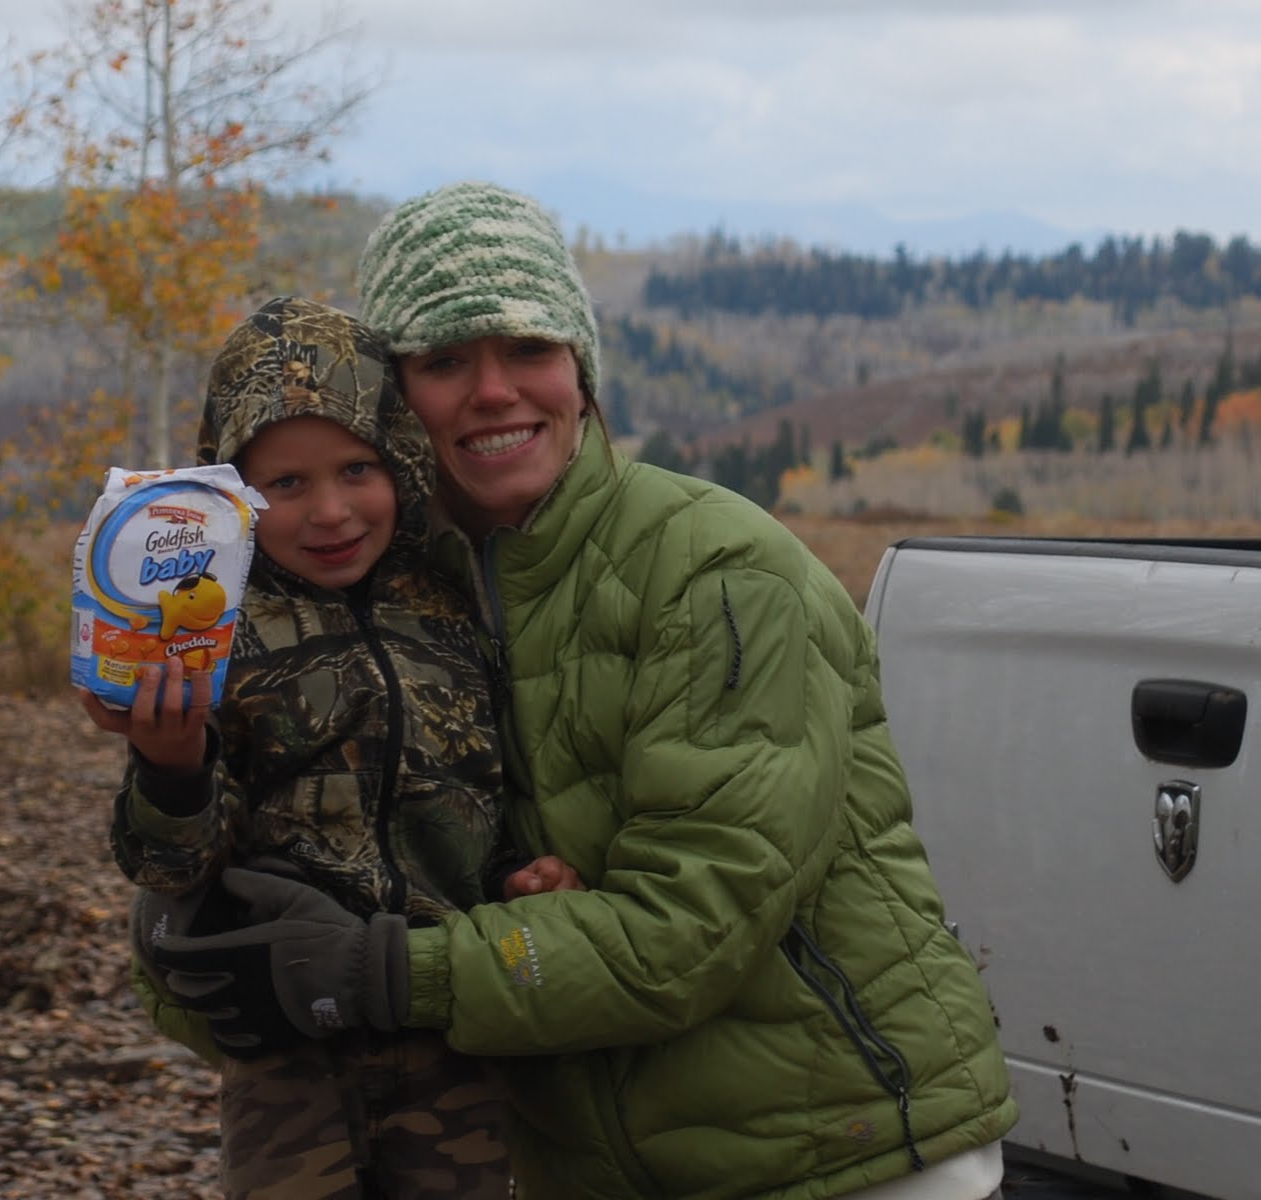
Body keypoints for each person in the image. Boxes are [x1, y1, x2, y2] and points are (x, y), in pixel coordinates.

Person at [142, 186, 1019, 1200]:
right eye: (442, 361)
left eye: (528, 348)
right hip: (593, 1163)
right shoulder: (379, 609)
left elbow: (695, 924)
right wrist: (187, 922)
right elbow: (283, 950)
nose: (493, 391)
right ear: (390, 404)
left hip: (835, 1154)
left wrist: (379, 972)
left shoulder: (714, 570)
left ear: (581, 370)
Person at [81, 296, 580, 1199]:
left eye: (359, 468)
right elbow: (167, 863)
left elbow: (482, 787)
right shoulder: (209, 637)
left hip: (449, 1027)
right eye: (287, 485)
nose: (332, 511)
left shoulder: (451, 609)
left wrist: (516, 875)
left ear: (401, 459)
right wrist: (172, 764)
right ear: (230, 495)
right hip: (286, 1047)